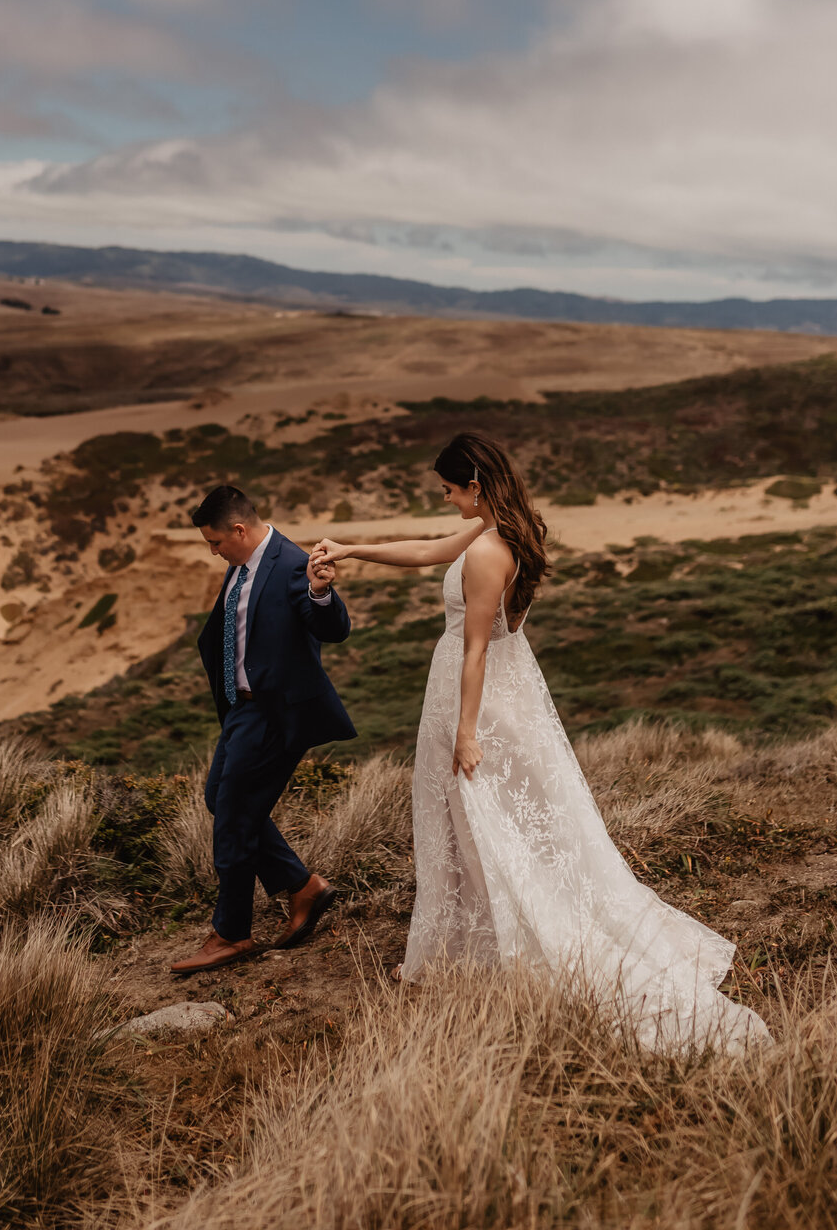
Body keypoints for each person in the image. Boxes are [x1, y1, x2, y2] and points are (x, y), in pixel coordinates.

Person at [313, 430, 770, 1053]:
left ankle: (481, 947)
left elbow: (475, 646)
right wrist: (351, 549)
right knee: (490, 819)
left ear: (473, 485)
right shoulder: (508, 529)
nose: (447, 500)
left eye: (449, 489)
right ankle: (466, 941)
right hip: (507, 686)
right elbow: (426, 550)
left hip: (475, 694)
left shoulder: (484, 552)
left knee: (477, 817)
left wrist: (466, 732)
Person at [170, 483, 355, 975]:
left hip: (278, 712)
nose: (213, 552)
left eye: (216, 542)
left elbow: (333, 628)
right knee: (221, 800)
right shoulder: (240, 564)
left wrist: (320, 590)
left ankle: (231, 933)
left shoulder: (293, 563)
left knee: (232, 814)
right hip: (242, 710)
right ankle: (304, 887)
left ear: (238, 528)